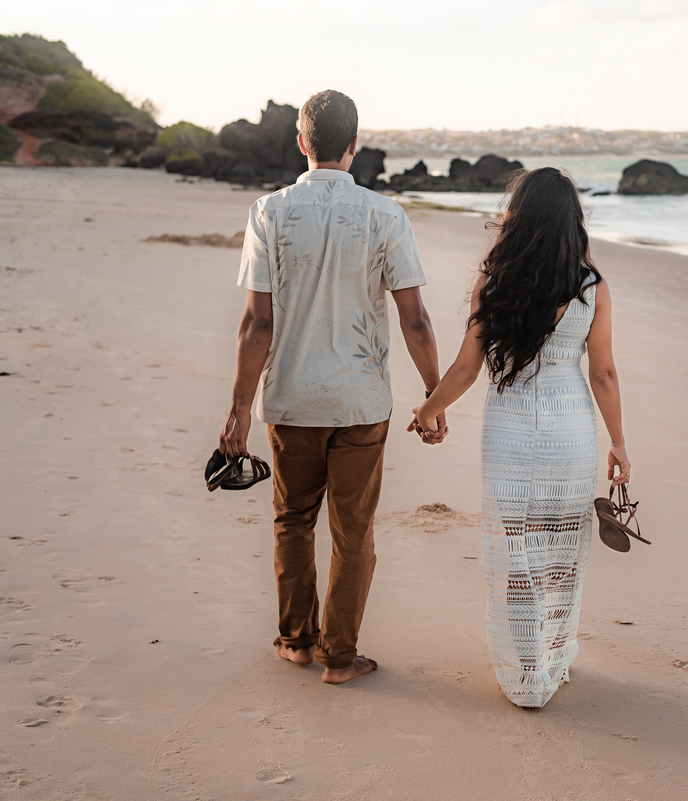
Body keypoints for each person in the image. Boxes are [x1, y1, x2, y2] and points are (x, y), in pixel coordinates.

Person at [217, 89, 446, 685]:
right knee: (354, 531)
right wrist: (434, 396)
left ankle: (296, 642)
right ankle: (339, 658)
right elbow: (414, 318)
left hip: (291, 399)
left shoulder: (268, 212)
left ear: (301, 142)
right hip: (361, 401)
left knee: (293, 520)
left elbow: (256, 323)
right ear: (354, 145)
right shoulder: (385, 215)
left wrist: (239, 411)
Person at [413, 167, 630, 708]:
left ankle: (523, 674)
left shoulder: (496, 280)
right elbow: (602, 372)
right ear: (571, 221)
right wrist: (619, 443)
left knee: (515, 550)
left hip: (510, 425)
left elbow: (467, 366)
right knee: (560, 547)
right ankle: (552, 662)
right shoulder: (591, 287)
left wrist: (428, 410)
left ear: (518, 217)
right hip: (570, 427)